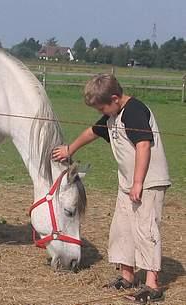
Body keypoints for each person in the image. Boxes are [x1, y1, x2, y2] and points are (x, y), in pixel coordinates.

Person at [52, 74, 171, 304]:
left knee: (145, 231)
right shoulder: (113, 115)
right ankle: (127, 277)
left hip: (148, 183)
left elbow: (143, 146)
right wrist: (69, 148)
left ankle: (152, 286)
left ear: (115, 99)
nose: (101, 113)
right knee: (122, 229)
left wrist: (138, 182)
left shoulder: (134, 111)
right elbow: (92, 132)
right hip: (128, 183)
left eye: (102, 108)